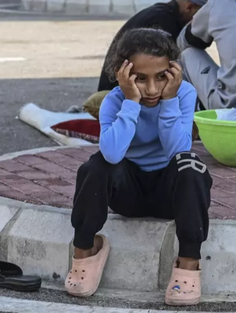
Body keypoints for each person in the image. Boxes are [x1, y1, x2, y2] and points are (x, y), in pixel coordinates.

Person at [66, 28, 212, 306]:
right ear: (124, 74)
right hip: (128, 195)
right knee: (94, 166)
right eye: (140, 79)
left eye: (160, 77)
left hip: (169, 195)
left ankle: (189, 262)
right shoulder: (114, 100)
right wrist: (131, 102)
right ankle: (85, 250)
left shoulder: (183, 94)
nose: (153, 89)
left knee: (192, 166)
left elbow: (177, 151)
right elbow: (111, 154)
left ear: (173, 71)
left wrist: (169, 101)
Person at [97, 0, 210, 91]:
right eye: (204, 16)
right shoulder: (163, 22)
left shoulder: (165, 14)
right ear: (189, 7)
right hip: (119, 92)